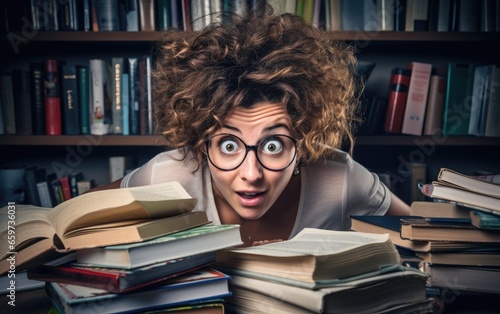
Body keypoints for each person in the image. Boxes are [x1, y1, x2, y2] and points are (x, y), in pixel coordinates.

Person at [102, 5, 410, 246]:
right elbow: (72, 223)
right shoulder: (169, 177)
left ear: (302, 143)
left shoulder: (340, 179)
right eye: (228, 145)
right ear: (200, 145)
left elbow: (426, 237)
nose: (252, 174)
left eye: (273, 146)